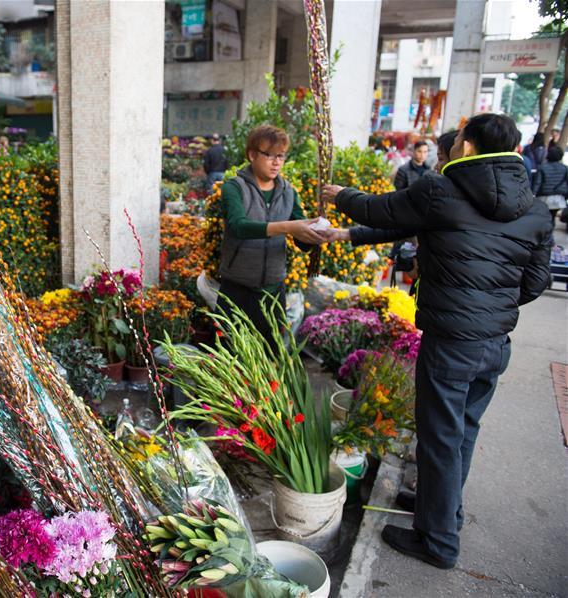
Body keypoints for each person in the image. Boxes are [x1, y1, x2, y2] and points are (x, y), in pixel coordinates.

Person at [321, 113, 552, 570]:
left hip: (451, 342)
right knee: (461, 432)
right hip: (495, 343)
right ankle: (443, 510)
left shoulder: (440, 190)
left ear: (467, 148)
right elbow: (535, 282)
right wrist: (492, 306)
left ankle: (438, 542)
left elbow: (382, 209)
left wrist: (340, 196)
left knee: (440, 437)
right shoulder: (536, 208)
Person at [217, 125, 328, 349]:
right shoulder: (234, 187)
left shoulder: (288, 192)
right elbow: (239, 226)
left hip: (272, 291)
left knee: (269, 357)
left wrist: (316, 233)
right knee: (229, 357)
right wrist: (288, 226)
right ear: (252, 155)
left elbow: (300, 241)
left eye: (281, 156)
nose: (276, 162)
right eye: (269, 155)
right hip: (236, 288)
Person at [532, 144, 568, 225]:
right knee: (552, 216)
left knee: (543, 217)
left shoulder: (542, 167)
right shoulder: (565, 168)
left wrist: (533, 195)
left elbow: (537, 183)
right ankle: (550, 231)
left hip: (544, 197)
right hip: (559, 198)